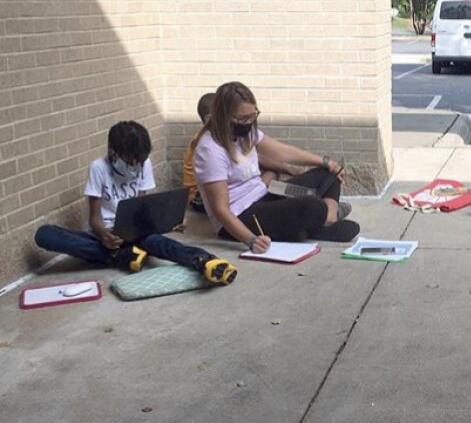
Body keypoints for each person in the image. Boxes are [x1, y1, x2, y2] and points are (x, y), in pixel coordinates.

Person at [35, 121, 237, 284]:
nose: (135, 167)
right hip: (104, 235)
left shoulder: (144, 163)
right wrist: (105, 235)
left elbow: (141, 209)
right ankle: (120, 256)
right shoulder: (98, 168)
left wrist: (166, 221)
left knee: (158, 242)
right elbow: (94, 219)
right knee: (45, 235)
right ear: (114, 152)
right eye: (131, 161)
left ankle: (204, 261)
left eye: (140, 161)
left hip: (135, 232)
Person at [193, 81, 359, 253]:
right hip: (241, 217)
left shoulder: (245, 133)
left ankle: (325, 220)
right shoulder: (210, 150)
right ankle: (315, 221)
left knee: (328, 174)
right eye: (242, 118)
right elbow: (221, 209)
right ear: (223, 116)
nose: (248, 122)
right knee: (311, 205)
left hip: (264, 195)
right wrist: (251, 240)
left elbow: (283, 152)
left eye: (252, 116)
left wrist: (326, 162)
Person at [183, 92, 280, 213]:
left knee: (270, 173)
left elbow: (254, 155)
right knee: (270, 174)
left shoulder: (229, 135)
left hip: (229, 192)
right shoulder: (205, 144)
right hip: (198, 197)